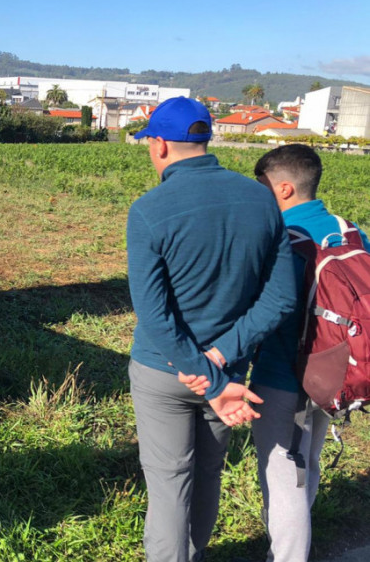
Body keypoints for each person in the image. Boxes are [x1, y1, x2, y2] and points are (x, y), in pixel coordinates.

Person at [127, 97, 298, 562]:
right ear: (205, 139)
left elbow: (153, 312)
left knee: (169, 486)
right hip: (229, 374)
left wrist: (197, 368)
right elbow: (281, 297)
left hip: (162, 372)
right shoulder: (261, 199)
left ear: (159, 144)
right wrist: (221, 361)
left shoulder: (148, 210)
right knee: (206, 476)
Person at [249, 144, 369, 561]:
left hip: (284, 374)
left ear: (283, 188)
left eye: (261, 186)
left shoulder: (279, 237)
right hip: (336, 372)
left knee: (283, 479)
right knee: (307, 464)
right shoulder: (350, 230)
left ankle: (286, 557)